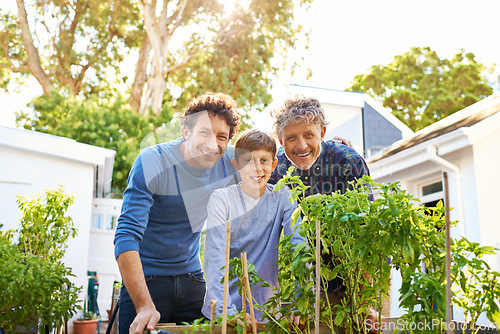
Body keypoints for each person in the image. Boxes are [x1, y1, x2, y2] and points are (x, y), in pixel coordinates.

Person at [113, 92, 241, 334]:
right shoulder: (153, 162)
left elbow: (272, 162)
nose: (213, 144)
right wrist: (144, 306)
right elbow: (125, 236)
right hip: (146, 282)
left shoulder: (231, 161)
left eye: (221, 137)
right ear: (185, 130)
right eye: (204, 132)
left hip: (192, 280)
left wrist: (331, 147)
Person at [268, 95, 382, 332]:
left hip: (354, 279)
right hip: (301, 285)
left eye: (308, 135)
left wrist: (365, 303)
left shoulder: (346, 161)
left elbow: (366, 234)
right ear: (280, 140)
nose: (301, 146)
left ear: (322, 132)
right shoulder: (274, 169)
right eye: (291, 138)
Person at [202, 129, 304, 323]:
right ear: (236, 165)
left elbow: (300, 249)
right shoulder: (222, 199)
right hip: (224, 311)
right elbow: (215, 260)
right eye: (248, 160)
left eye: (264, 160)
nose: (257, 168)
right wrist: (228, 313)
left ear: (274, 164)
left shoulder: (282, 197)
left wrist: (300, 303)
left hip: (267, 313)